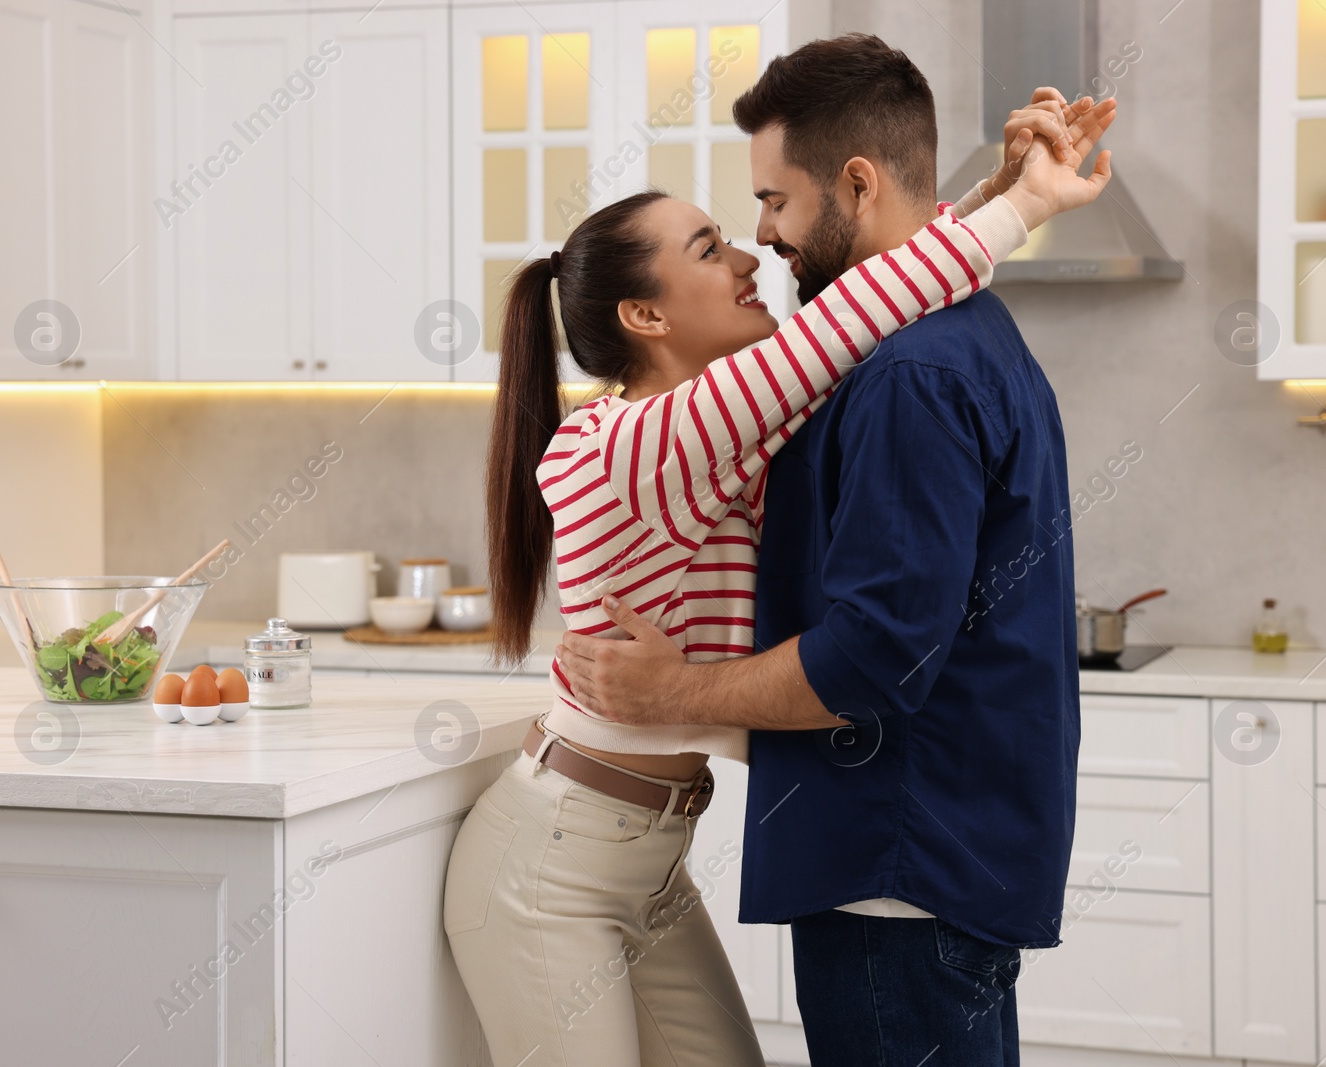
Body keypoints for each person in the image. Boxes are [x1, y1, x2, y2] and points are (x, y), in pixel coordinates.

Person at [446, 36, 1114, 1065]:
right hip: (562, 857)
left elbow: (875, 302)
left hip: (745, 860)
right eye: (717, 244)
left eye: (764, 205)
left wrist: (1007, 195)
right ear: (647, 312)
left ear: (854, 182)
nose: (759, 246)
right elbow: (860, 308)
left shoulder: (834, 398)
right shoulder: (642, 442)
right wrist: (1013, 201)